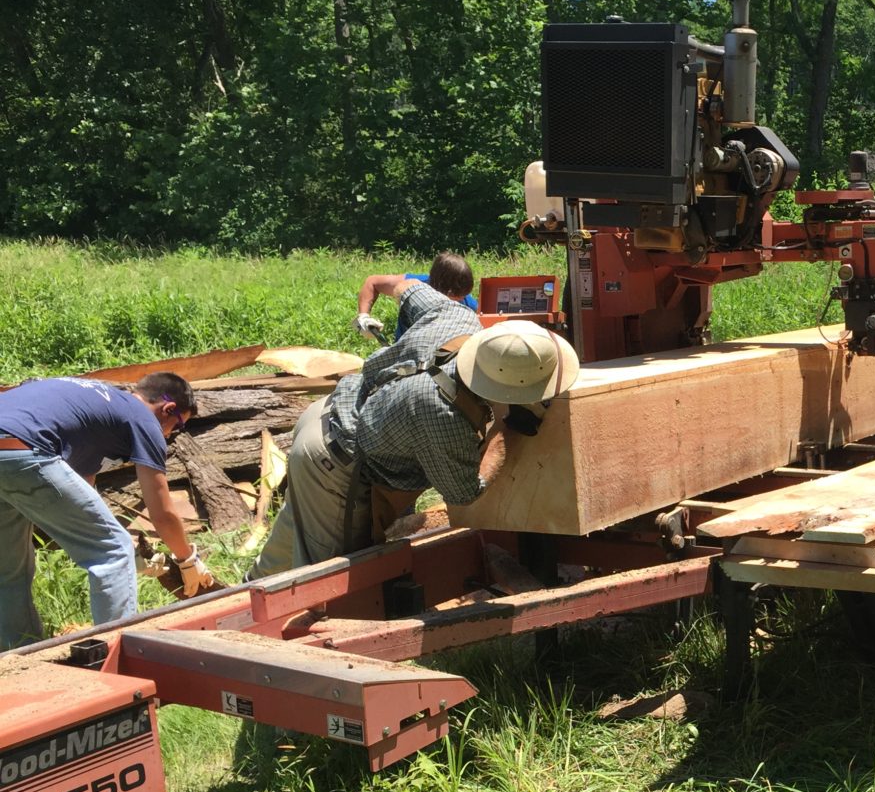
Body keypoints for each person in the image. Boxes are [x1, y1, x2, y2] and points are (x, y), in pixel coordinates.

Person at [248, 319, 578, 578]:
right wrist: (508, 432)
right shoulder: (443, 412)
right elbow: (464, 492)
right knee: (326, 581)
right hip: (335, 464)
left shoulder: (458, 319)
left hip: (325, 416)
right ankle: (281, 649)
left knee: (292, 539)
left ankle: (244, 598)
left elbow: (406, 288)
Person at [0, 372, 213, 650]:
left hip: (14, 445)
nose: (171, 434)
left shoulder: (103, 406)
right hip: (25, 449)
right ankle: (118, 660)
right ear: (168, 409)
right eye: (178, 426)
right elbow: (161, 511)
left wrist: (133, 555)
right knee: (113, 552)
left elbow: (81, 499)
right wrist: (187, 559)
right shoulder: (143, 418)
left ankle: (17, 653)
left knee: (8, 568)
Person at [354, 252, 479, 343]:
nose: (460, 298)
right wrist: (364, 317)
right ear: (439, 284)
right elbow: (372, 282)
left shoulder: (469, 304)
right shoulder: (411, 286)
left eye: (463, 295)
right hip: (404, 354)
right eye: (455, 295)